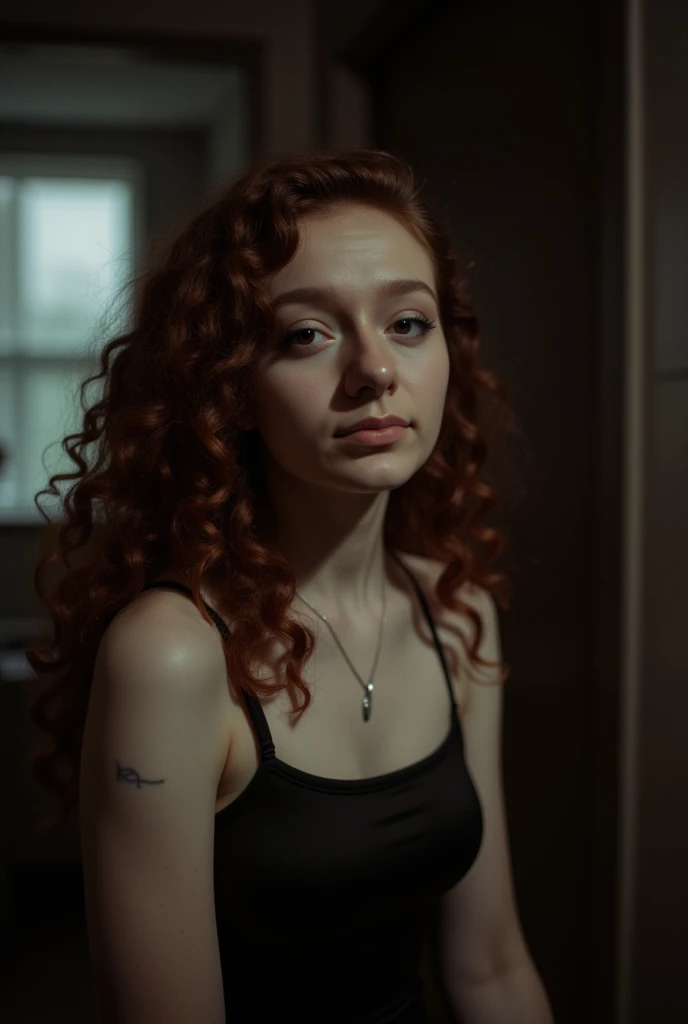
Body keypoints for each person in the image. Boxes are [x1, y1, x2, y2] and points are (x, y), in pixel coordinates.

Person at [26, 146, 554, 1023]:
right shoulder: (172, 655)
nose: (374, 370)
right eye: (307, 334)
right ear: (230, 389)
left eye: (408, 323)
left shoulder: (457, 613)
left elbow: (491, 967)